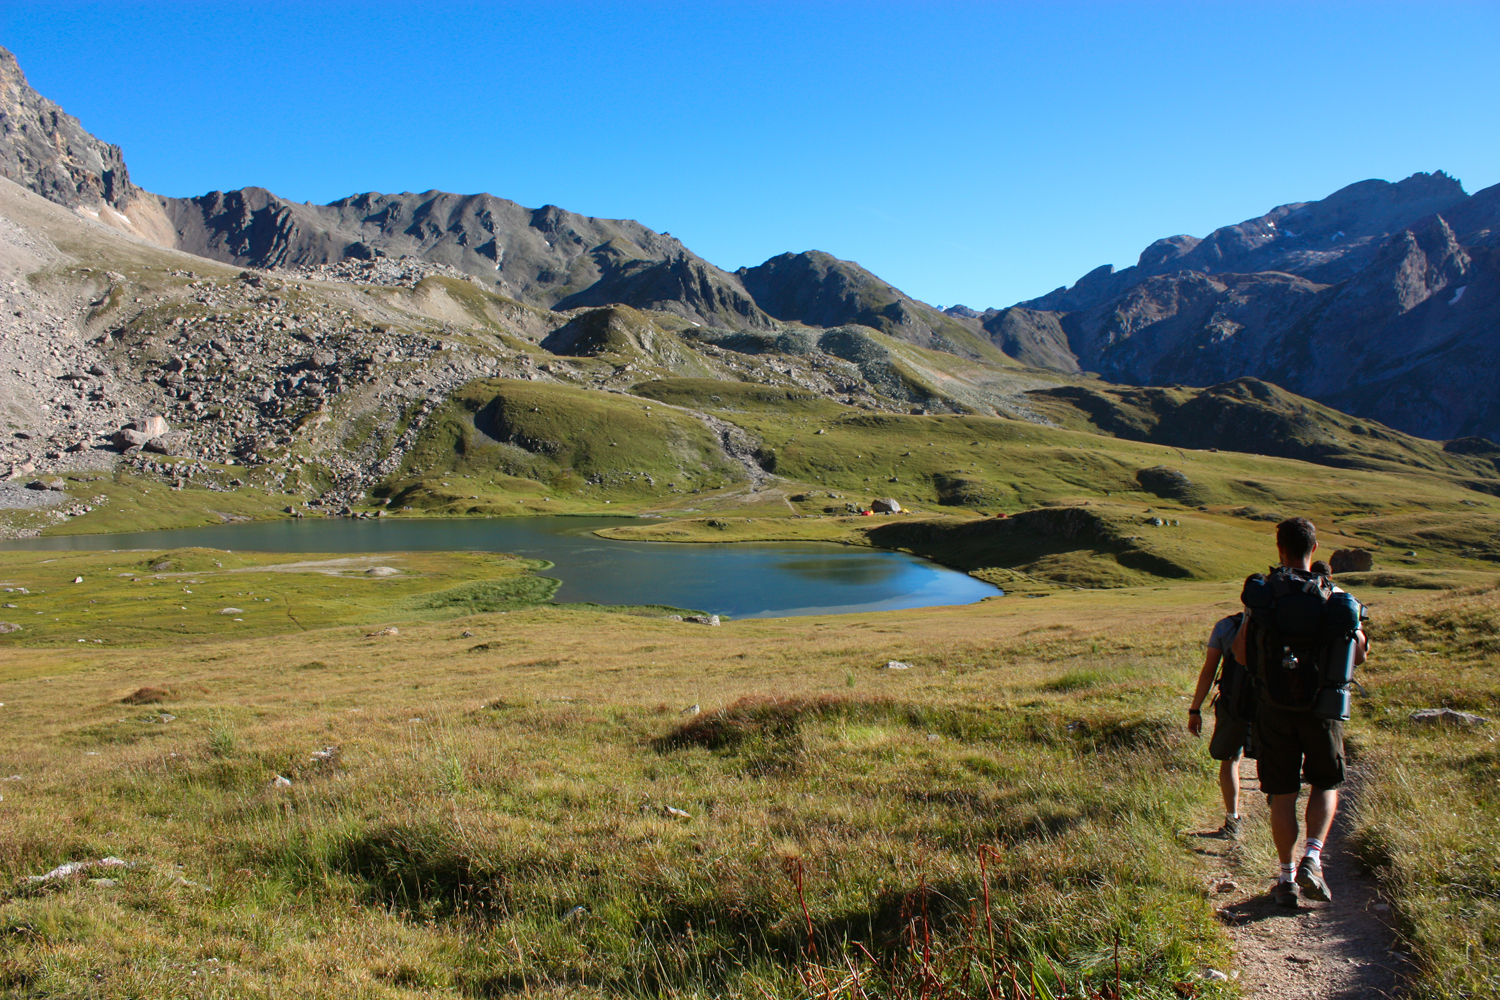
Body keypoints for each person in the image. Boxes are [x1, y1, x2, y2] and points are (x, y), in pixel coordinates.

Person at [1233, 517, 1368, 907]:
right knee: (1325, 783)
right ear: (1315, 547)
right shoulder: (1334, 595)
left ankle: (1286, 876)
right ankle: (1312, 856)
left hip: (1273, 708)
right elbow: (1356, 654)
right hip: (1321, 708)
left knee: (1282, 794)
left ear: (1280, 549)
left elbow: (1241, 654)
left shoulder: (1264, 596)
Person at [1187, 612, 1249, 838]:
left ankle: (1232, 820)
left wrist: (1195, 709)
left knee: (1230, 760)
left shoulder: (1226, 626)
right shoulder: (1281, 620)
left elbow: (1209, 671)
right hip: (1273, 704)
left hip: (1234, 703)